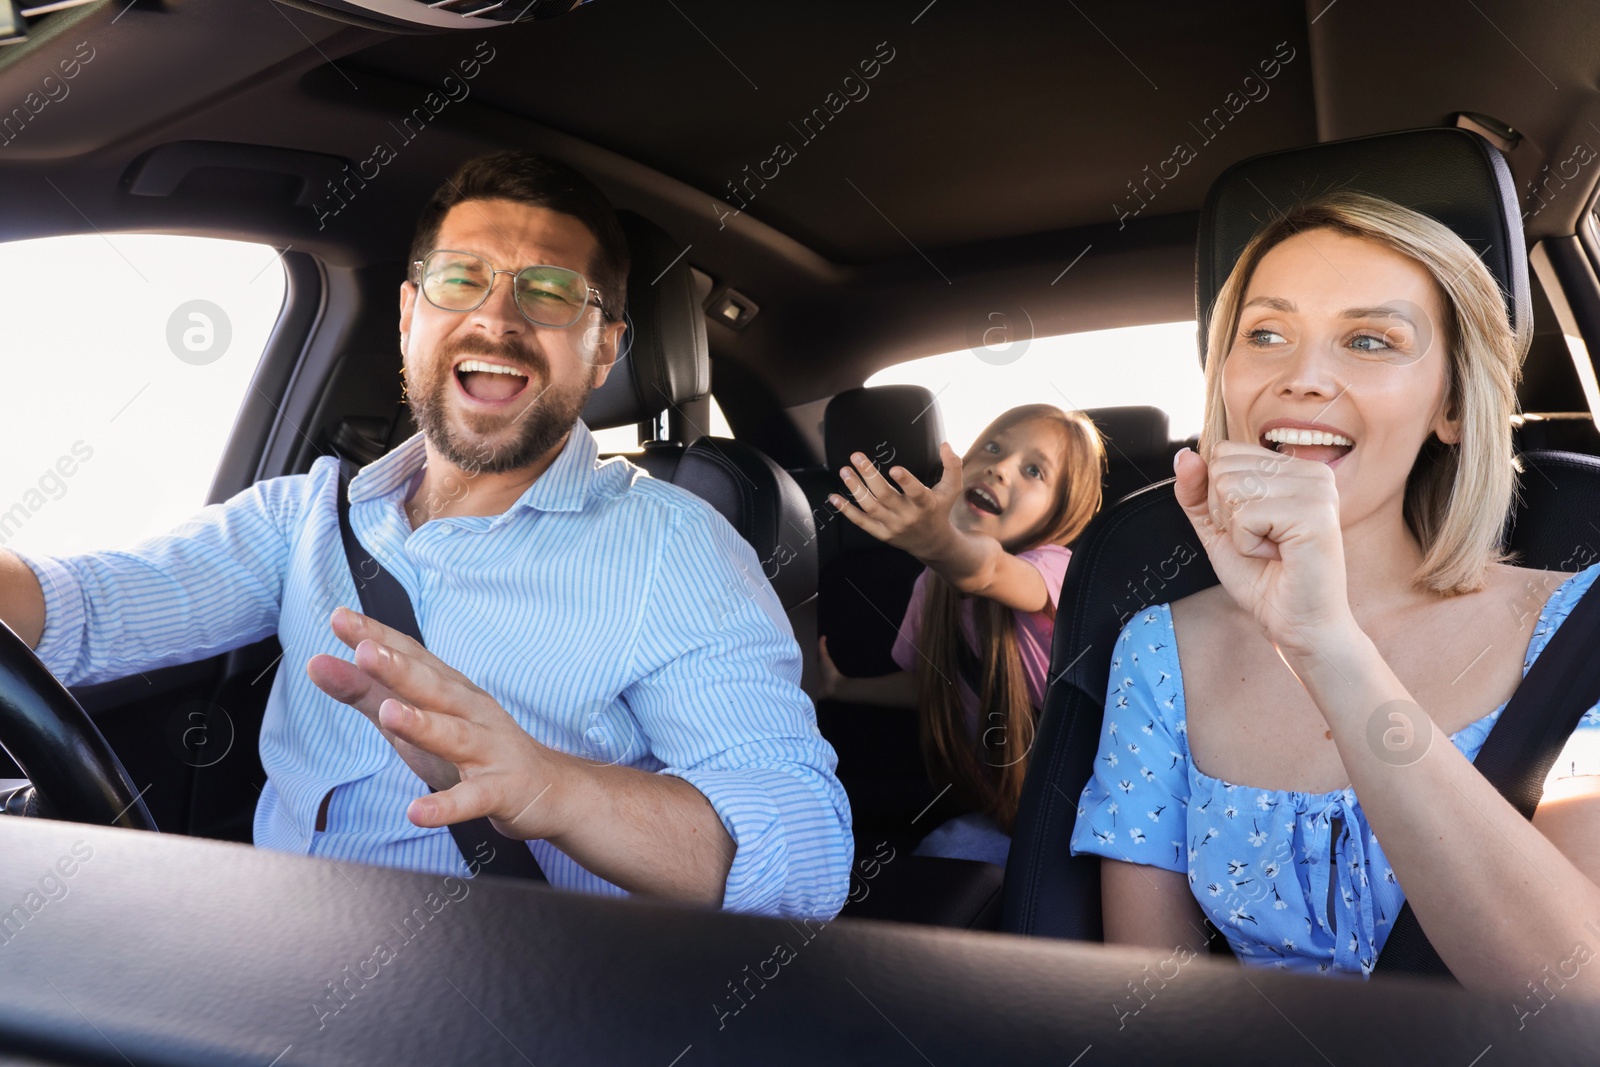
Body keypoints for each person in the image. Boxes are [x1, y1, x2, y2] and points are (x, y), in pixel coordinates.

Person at [0, 150, 852, 919]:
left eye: (550, 292)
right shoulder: (303, 517)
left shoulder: (679, 549)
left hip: (508, 1007)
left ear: (603, 351)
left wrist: (555, 789)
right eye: (460, 280)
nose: (499, 319)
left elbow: (804, 855)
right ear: (409, 315)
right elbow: (79, 608)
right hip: (262, 967)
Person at [1069, 191, 1600, 999]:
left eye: (1369, 339)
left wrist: (1326, 642)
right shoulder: (1158, 649)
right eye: (1267, 334)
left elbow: (1579, 993)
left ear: (1452, 404)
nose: (1302, 378)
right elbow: (1148, 1006)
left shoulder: (1577, 632)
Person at [818, 404, 1104, 864]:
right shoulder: (932, 585)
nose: (1000, 467)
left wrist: (936, 543)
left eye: (1034, 470)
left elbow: (987, 570)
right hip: (1006, 811)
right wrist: (842, 687)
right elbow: (936, 682)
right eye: (992, 447)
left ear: (1060, 511)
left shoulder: (1057, 573)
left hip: (1090, 814)